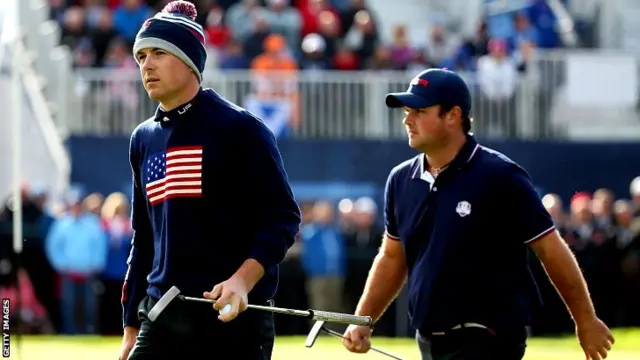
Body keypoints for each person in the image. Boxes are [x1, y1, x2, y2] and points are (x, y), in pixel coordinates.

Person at [341, 68, 615, 360]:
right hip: (429, 339)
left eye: (420, 111)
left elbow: (550, 249)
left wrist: (585, 320)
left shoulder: (500, 176)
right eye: (407, 111)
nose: (407, 120)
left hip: (490, 337)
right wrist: (364, 318)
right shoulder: (401, 180)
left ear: (452, 115)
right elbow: (392, 257)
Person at [118, 1, 301, 359]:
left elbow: (282, 219)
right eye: (141, 56)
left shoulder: (240, 128)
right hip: (160, 317)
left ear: (189, 61)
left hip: (234, 320)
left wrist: (242, 281)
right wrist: (130, 327)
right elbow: (144, 239)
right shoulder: (143, 139)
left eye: (158, 52)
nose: (147, 65)